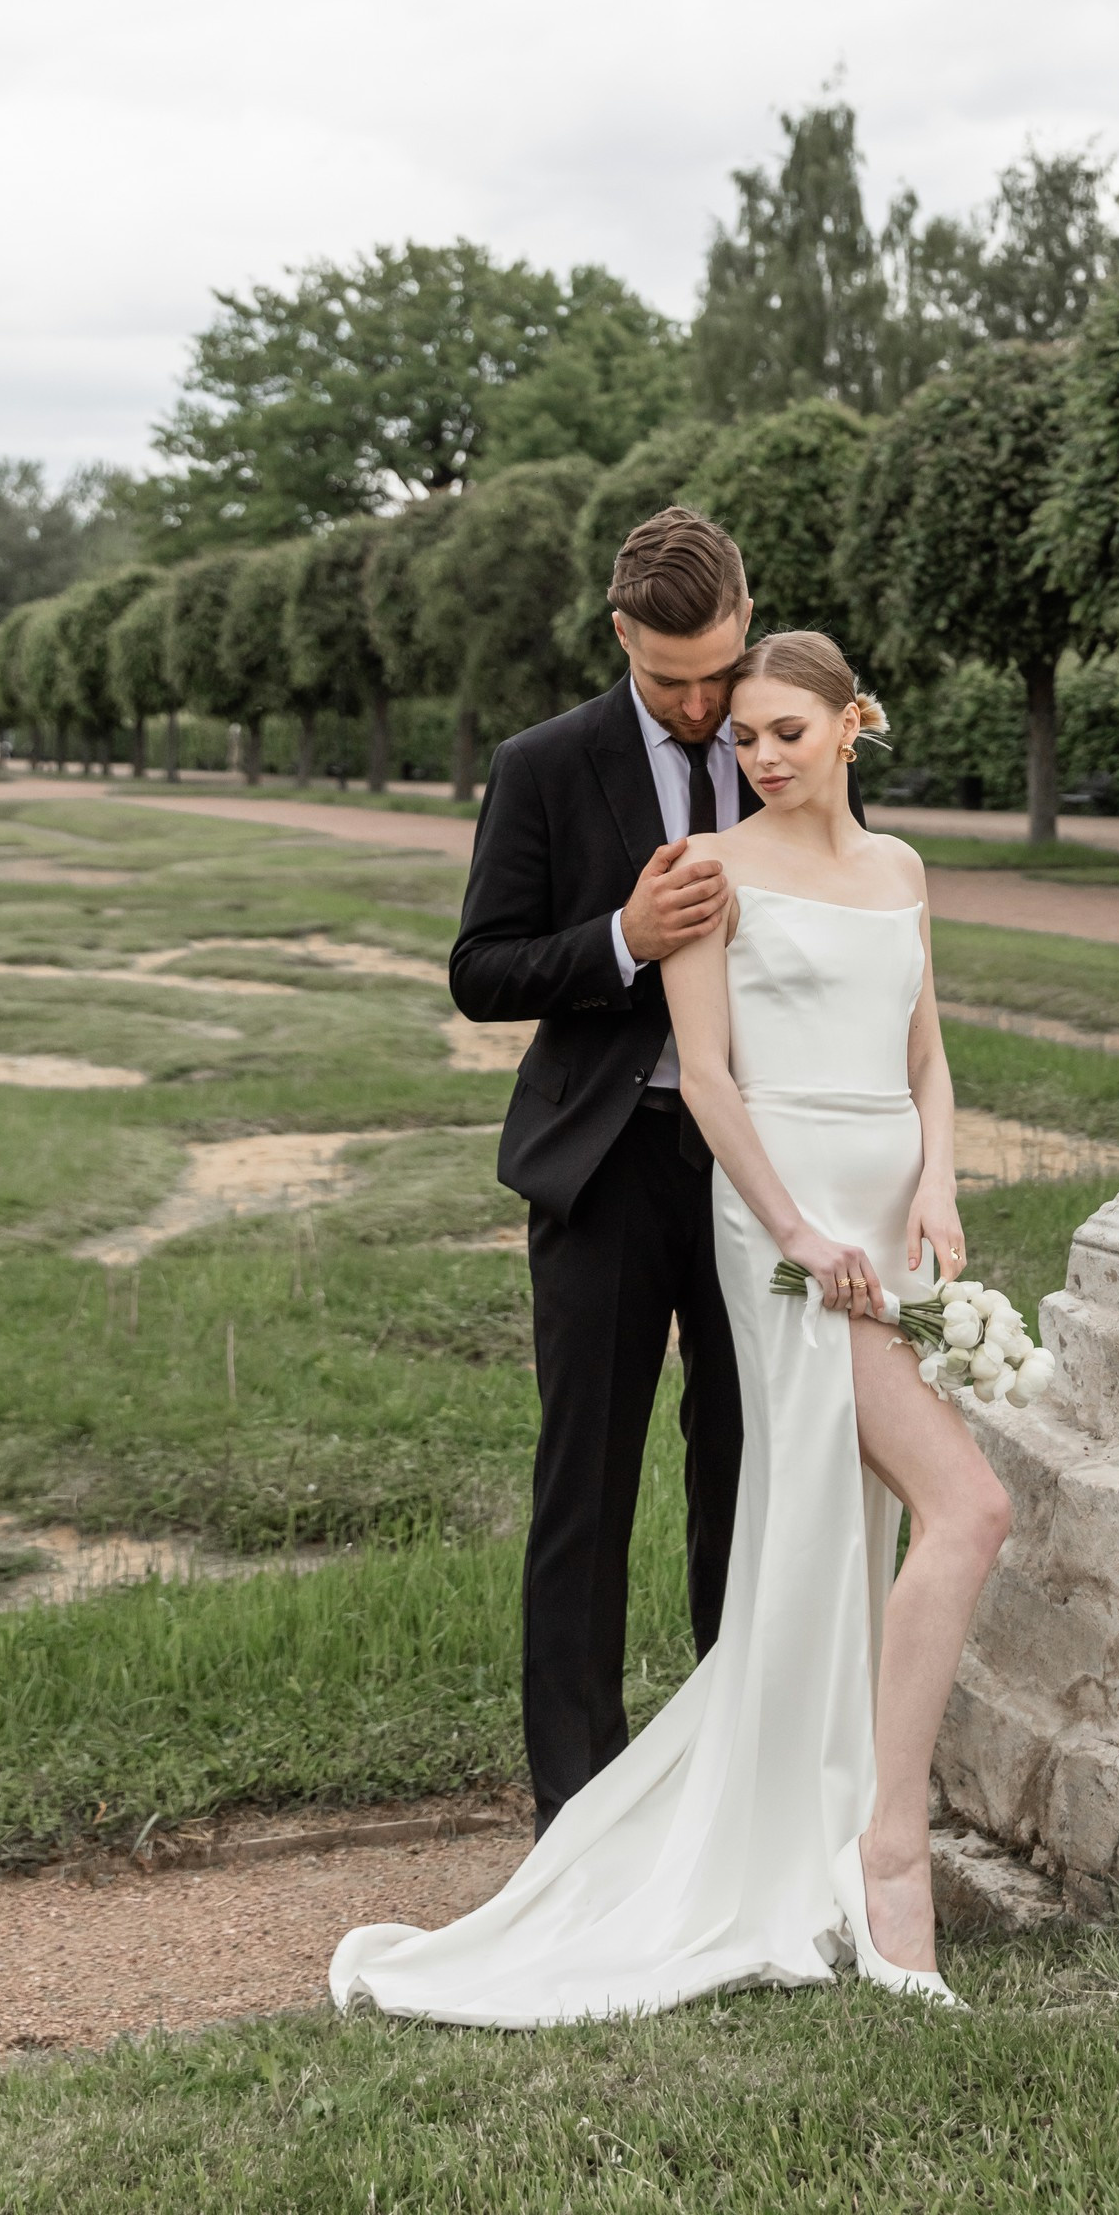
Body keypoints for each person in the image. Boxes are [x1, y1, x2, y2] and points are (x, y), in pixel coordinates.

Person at [331, 631, 1010, 2021]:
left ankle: (832, 1811)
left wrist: (940, 1180)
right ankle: (888, 1856)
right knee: (962, 1509)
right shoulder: (713, 874)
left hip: (893, 1228)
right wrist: (804, 1234)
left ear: (852, 724)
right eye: (742, 735)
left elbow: (928, 1055)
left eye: (782, 732)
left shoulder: (903, 872)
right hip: (790, 1232)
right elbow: (705, 1079)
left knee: (834, 1530)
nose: (754, 754)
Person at [445, 507, 863, 1840]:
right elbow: (482, 971)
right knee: (588, 1485)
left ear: (749, 618)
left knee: (750, 1472)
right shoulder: (545, 765)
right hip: (605, 1165)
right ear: (620, 634)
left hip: (768, 1177)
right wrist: (620, 937)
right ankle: (579, 1805)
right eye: (669, 678)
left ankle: (732, 1769)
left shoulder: (787, 743)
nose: (699, 709)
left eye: (716, 672)